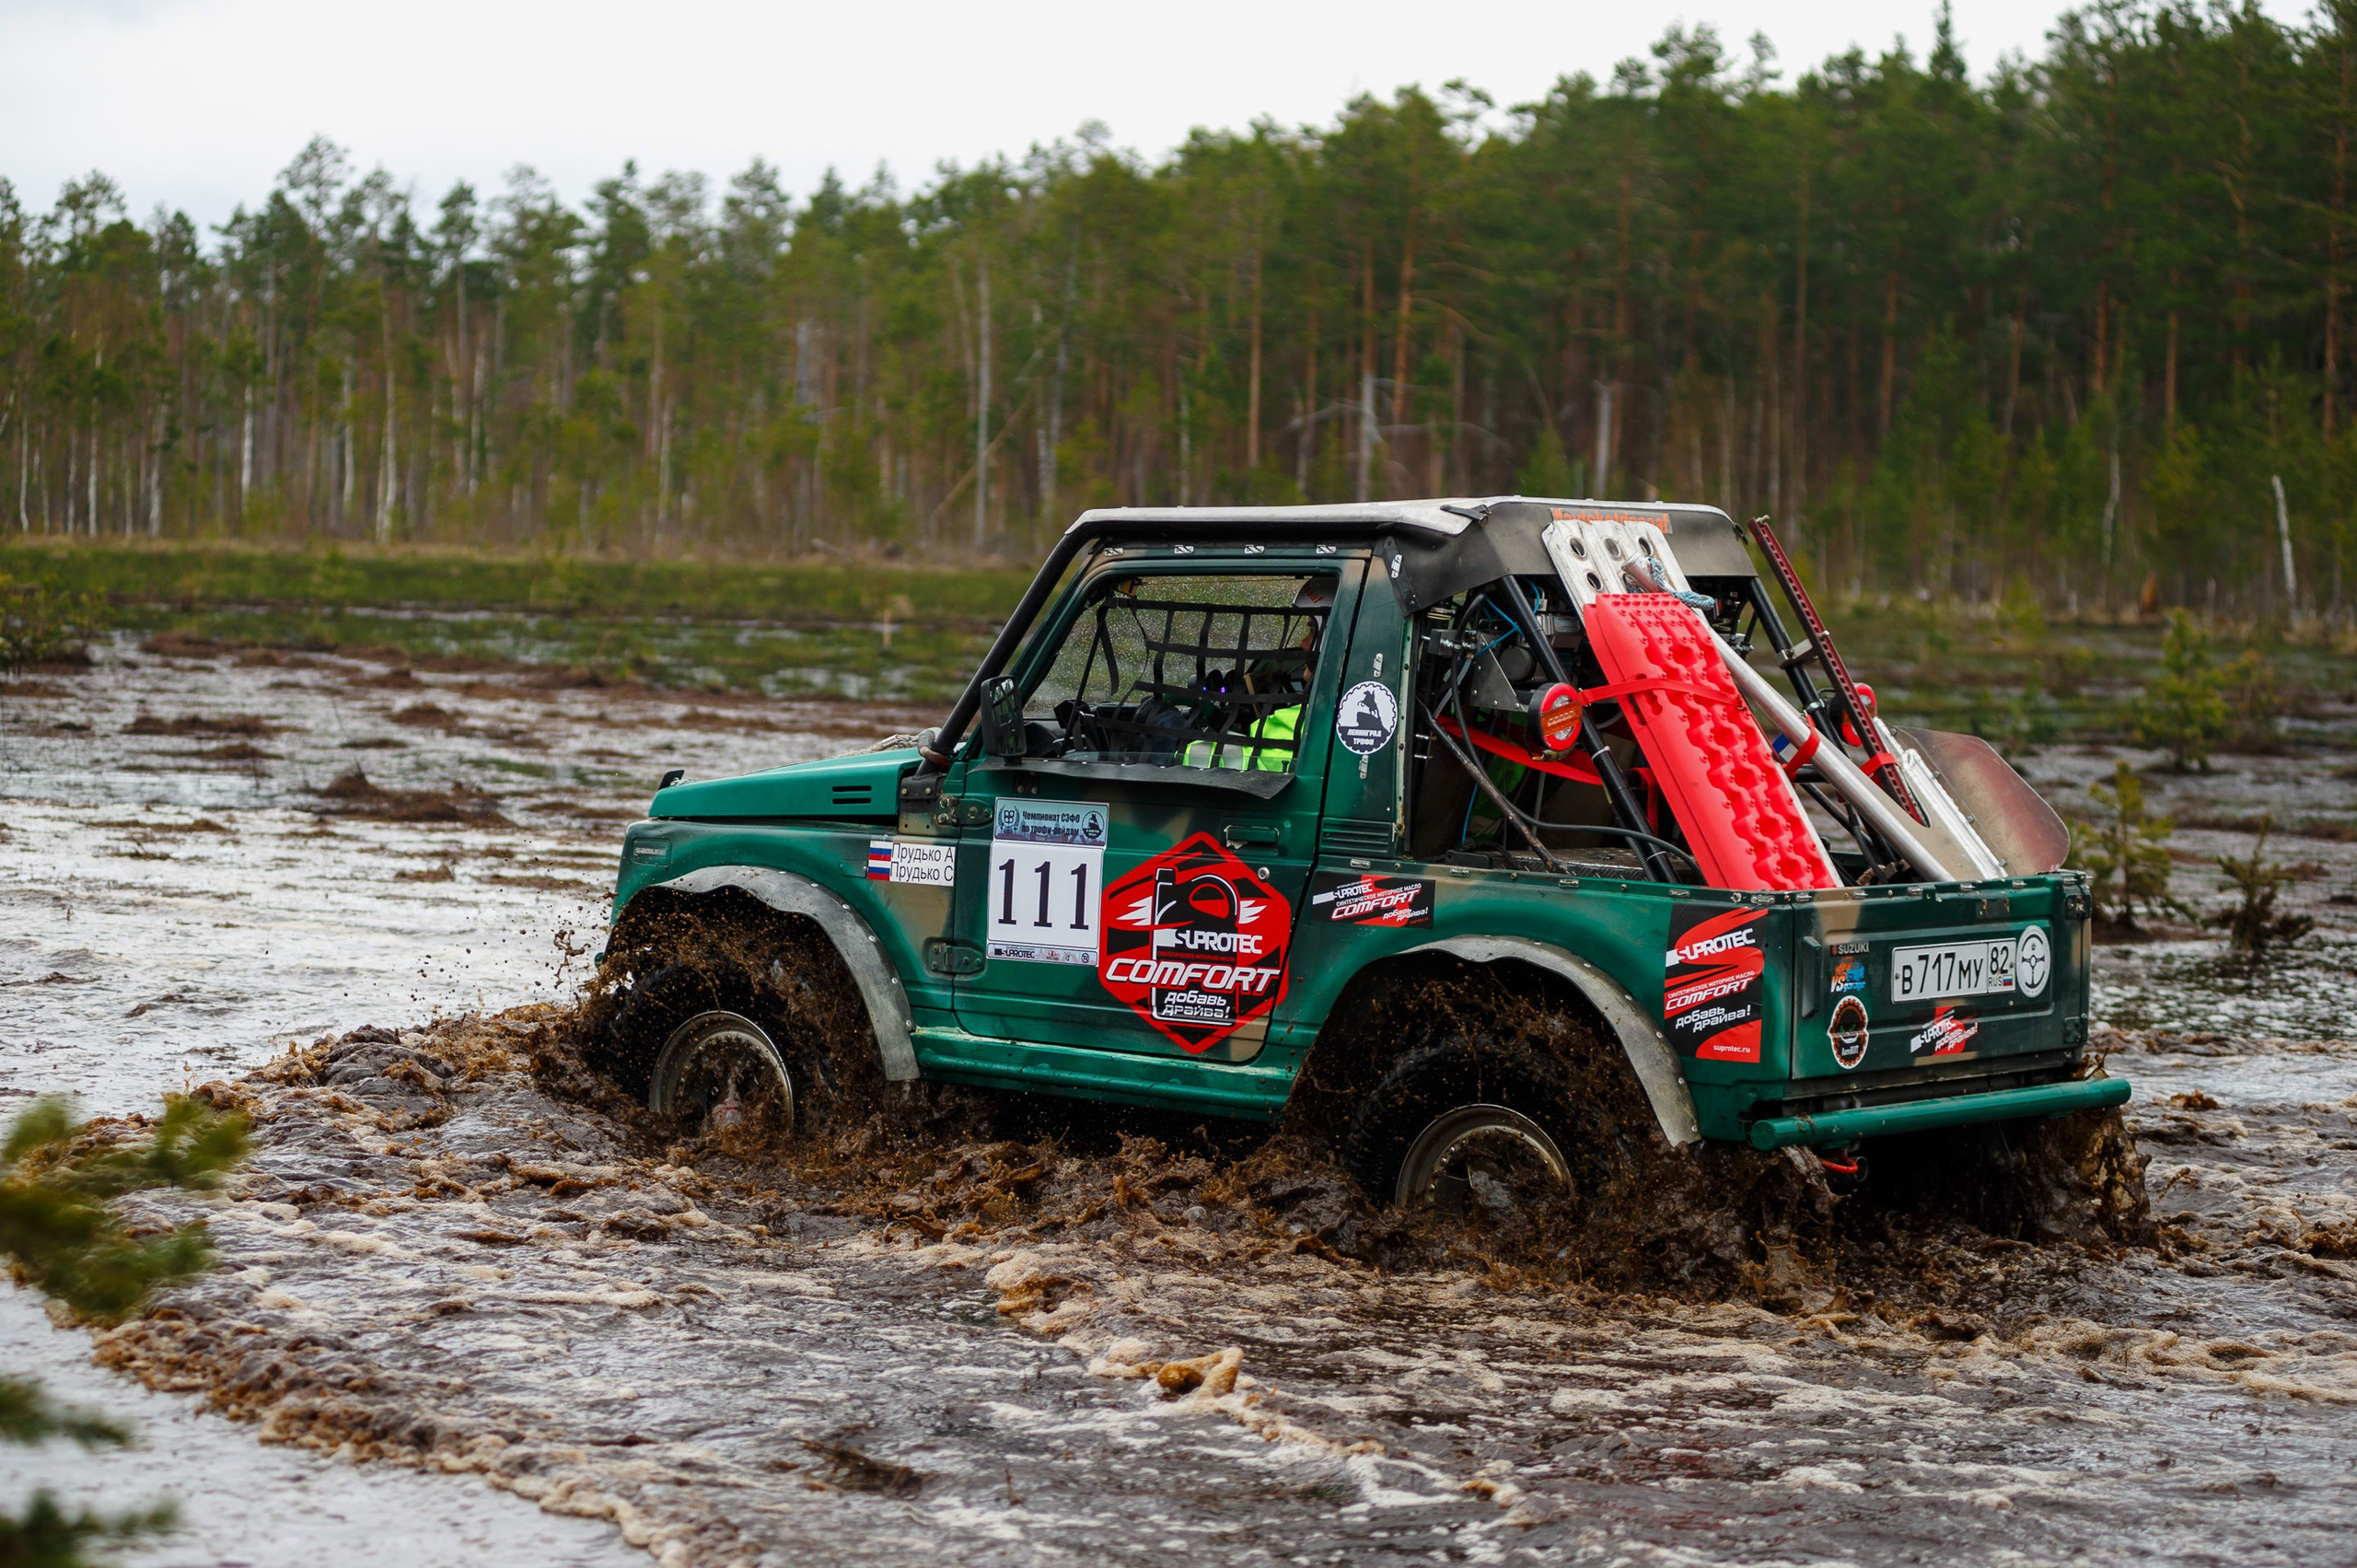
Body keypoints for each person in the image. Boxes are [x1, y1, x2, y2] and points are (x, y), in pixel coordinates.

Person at [1180, 578, 1329, 771]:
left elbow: (1238, 761)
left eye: (1312, 630)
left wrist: (1169, 739)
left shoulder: (1304, 722)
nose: (1303, 643)